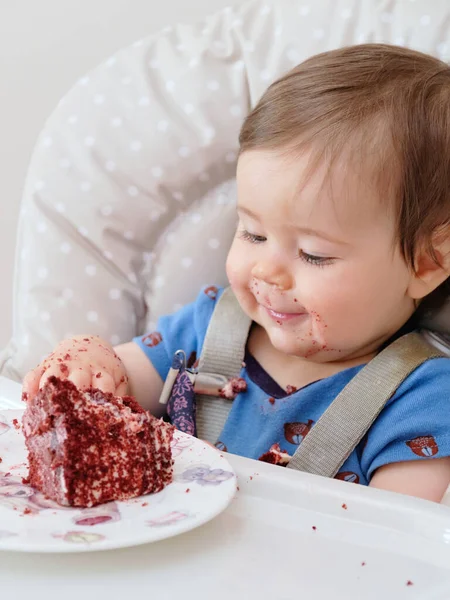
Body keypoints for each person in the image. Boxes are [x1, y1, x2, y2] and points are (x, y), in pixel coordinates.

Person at [23, 44, 450, 502]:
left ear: (427, 263)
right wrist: (86, 359)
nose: (267, 270)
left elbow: (396, 545)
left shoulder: (421, 401)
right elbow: (116, 378)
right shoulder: (209, 329)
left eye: (313, 254)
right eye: (252, 234)